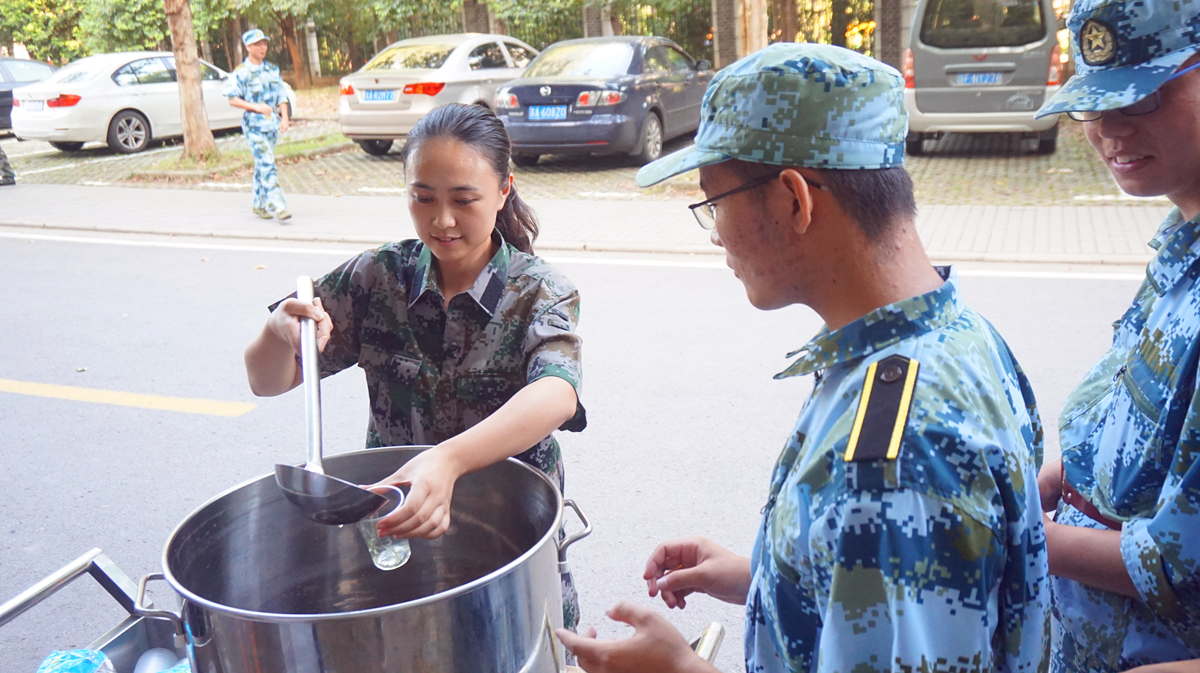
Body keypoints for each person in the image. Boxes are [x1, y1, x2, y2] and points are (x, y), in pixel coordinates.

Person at [556, 43, 1050, 673]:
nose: (715, 234)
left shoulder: (890, 463)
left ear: (794, 199)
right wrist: (767, 573)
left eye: (714, 203)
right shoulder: (956, 335)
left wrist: (681, 669)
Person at [243, 103, 587, 629]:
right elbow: (265, 380)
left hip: (510, 539)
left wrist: (447, 461)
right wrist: (277, 331)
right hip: (399, 537)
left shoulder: (541, 291)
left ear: (503, 191)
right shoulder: (378, 277)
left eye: (464, 200)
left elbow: (557, 394)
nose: (442, 220)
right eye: (423, 198)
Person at [1030, 0, 1200, 669]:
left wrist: (1012, 533)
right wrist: (1058, 480)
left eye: (1145, 97)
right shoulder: (1180, 243)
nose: (1108, 128)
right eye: (1094, 103)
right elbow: (1129, 430)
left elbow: (1179, 563)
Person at [223, 28, 291, 222]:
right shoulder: (241, 72)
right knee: (267, 162)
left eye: (264, 43)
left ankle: (259, 204)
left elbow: (281, 94)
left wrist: (285, 117)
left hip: (271, 124)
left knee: (263, 163)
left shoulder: (272, 69)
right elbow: (232, 99)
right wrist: (255, 107)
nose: (263, 47)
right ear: (248, 47)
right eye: (258, 44)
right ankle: (278, 205)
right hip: (253, 125)